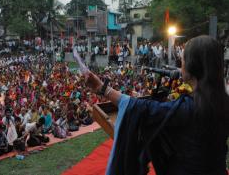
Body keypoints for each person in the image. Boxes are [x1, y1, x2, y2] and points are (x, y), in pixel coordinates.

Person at [85, 35, 229, 175]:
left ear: (192, 66)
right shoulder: (223, 101)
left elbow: (141, 109)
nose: (180, 63)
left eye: (183, 59)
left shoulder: (187, 109)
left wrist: (103, 88)